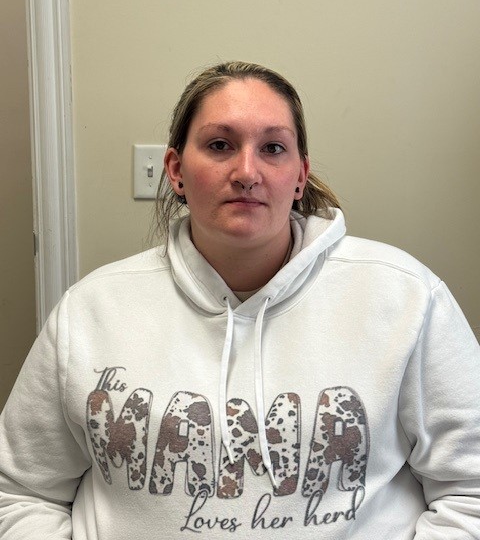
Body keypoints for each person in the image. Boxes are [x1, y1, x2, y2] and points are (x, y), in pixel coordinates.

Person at [1, 61, 479, 539]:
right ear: (176, 170)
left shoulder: (405, 297)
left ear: (300, 175)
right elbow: (19, 493)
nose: (247, 172)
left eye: (273, 148)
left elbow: (470, 491)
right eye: (219, 145)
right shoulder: (90, 312)